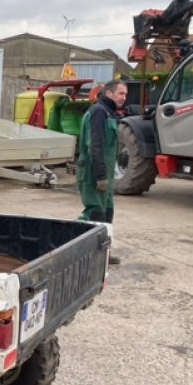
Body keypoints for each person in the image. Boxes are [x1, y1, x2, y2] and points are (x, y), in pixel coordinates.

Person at [76, 79, 128, 264]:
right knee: (94, 213)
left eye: (125, 94)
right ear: (109, 93)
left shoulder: (109, 113)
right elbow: (94, 146)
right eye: (121, 93)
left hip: (105, 174)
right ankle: (73, 248)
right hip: (93, 173)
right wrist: (100, 176)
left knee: (106, 213)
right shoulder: (98, 112)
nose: (124, 97)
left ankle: (102, 254)